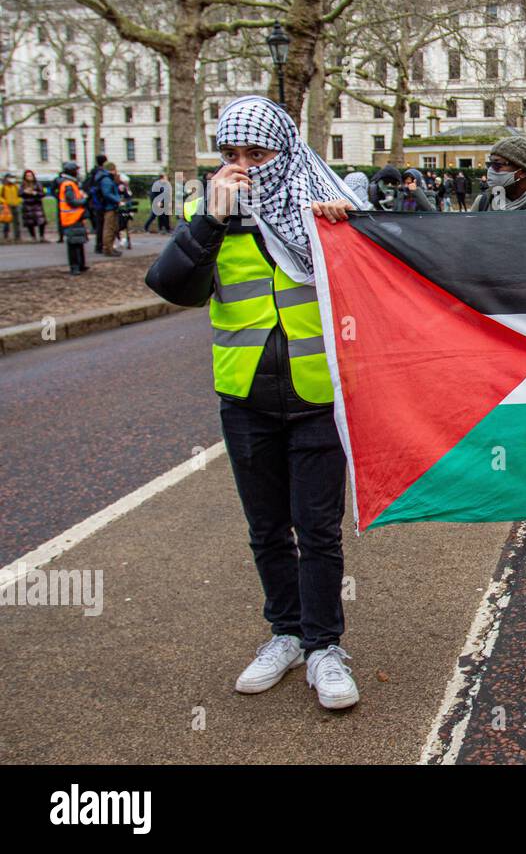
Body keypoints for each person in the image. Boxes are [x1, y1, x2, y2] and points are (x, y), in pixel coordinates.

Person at [144, 95, 363, 712]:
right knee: (266, 529)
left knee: (317, 530)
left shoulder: (324, 203)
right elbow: (172, 287)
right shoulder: (206, 210)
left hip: (317, 393)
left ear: (284, 151)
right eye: (230, 154)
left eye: (257, 153)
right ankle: (286, 635)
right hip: (243, 396)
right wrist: (209, 221)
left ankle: (325, 647)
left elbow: (374, 276)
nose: (242, 167)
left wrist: (346, 228)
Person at [56, 162, 90, 275]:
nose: (77, 172)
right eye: (75, 170)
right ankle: (75, 266)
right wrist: (84, 200)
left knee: (78, 243)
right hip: (71, 217)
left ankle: (80, 265)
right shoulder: (68, 184)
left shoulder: (71, 183)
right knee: (73, 244)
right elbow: (72, 201)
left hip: (75, 217)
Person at [95, 160, 123, 257]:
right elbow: (107, 193)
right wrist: (117, 200)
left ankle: (110, 247)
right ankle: (108, 249)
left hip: (110, 206)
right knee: (109, 228)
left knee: (113, 228)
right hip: (109, 207)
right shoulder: (106, 180)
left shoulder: (106, 178)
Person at [83, 153, 108, 253]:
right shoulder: (101, 174)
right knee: (102, 225)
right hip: (100, 202)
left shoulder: (93, 173)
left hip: (94, 202)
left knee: (99, 225)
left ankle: (99, 245)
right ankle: (100, 245)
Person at [19, 170, 47, 242]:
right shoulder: (23, 184)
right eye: (27, 176)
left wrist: (35, 193)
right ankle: (33, 237)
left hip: (36, 204)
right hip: (27, 205)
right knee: (30, 222)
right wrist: (25, 192)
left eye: (30, 175)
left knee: (41, 221)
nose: (29, 177)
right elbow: (19, 193)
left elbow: (42, 193)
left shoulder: (37, 184)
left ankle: (42, 236)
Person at [0, 173, 19, 242]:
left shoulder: (15, 186)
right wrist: (4, 202)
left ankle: (17, 236)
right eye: (9, 178)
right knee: (6, 221)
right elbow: (0, 196)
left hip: (15, 205)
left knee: (16, 222)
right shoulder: (3, 187)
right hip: (7, 206)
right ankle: (6, 236)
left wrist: (18, 201)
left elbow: (19, 195)